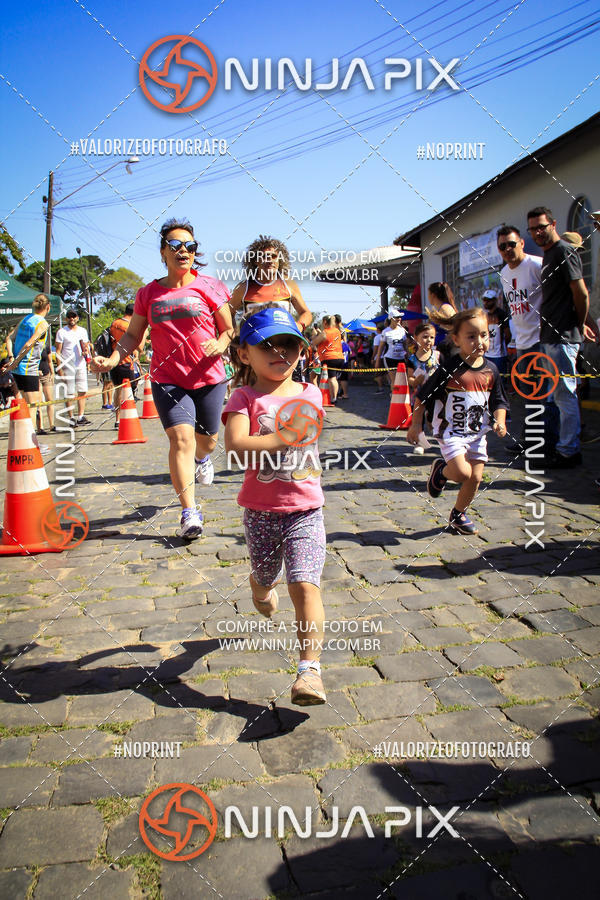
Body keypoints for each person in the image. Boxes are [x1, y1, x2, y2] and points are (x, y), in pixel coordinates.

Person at [92, 218, 234, 539]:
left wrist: (220, 343)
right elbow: (132, 335)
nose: (184, 250)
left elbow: (228, 329)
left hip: (209, 377)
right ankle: (189, 512)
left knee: (207, 440)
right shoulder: (148, 293)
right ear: (163, 252)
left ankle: (202, 458)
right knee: (180, 439)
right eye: (175, 245)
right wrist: (112, 359)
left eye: (190, 246)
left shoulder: (210, 286)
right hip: (167, 379)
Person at [223, 305, 327, 706]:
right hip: (261, 512)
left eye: (289, 345)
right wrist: (281, 438)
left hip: (305, 509)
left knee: (304, 584)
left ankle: (309, 672)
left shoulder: (310, 393)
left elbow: (306, 428)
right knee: (267, 579)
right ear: (244, 353)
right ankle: (260, 588)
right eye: (268, 345)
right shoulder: (243, 397)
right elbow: (236, 447)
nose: (280, 353)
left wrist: (280, 437)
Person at [407, 309, 509, 535]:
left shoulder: (492, 370)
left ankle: (458, 514)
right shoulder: (449, 369)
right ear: (456, 339)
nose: (479, 341)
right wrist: (416, 425)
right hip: (450, 431)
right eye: (471, 336)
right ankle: (441, 471)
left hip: (477, 432)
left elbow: (499, 401)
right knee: (462, 473)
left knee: (476, 477)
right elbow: (422, 397)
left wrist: (500, 421)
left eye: (484, 335)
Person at [527, 206, 594, 468]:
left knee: (565, 395)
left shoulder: (564, 251)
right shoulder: (550, 254)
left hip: (562, 337)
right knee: (556, 396)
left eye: (541, 227)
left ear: (553, 224)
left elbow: (581, 293)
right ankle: (559, 446)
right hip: (550, 337)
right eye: (533, 229)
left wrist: (579, 324)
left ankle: (568, 451)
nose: (537, 232)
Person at [230, 235, 312, 328]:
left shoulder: (288, 284)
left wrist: (299, 326)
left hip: (283, 336)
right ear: (255, 261)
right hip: (255, 337)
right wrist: (234, 333)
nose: (270, 261)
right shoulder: (244, 287)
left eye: (274, 256)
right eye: (265, 256)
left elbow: (306, 313)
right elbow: (228, 313)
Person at [3, 294, 52, 426]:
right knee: (32, 406)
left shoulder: (26, 319)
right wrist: (16, 362)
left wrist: (12, 357)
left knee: (26, 404)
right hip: (28, 368)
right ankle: (30, 436)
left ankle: (25, 435)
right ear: (48, 307)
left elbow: (9, 338)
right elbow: (28, 344)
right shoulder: (42, 324)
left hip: (18, 371)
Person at [497, 225, 543, 357]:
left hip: (541, 341)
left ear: (521, 243)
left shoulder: (537, 265)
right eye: (502, 246)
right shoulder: (504, 274)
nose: (507, 249)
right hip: (521, 344)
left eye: (512, 244)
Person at [406, 322, 440, 455]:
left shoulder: (438, 356)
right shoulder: (412, 359)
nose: (429, 340)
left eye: (432, 337)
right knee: (418, 420)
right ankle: (420, 443)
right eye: (425, 337)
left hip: (436, 395)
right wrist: (415, 381)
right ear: (416, 338)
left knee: (435, 418)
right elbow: (409, 378)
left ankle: (443, 442)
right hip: (418, 395)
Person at [109, 303, 144, 429]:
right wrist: (144, 331)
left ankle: (118, 419)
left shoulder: (114, 323)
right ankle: (127, 418)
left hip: (114, 361)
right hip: (126, 361)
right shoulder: (128, 326)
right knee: (128, 391)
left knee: (118, 390)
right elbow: (140, 348)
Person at [55, 308, 92, 427]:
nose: (72, 319)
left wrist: (86, 352)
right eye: (69, 317)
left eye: (74, 316)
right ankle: (71, 417)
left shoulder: (82, 331)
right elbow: (58, 351)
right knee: (69, 392)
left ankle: (81, 416)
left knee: (82, 390)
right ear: (66, 318)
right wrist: (60, 369)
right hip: (68, 365)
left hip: (80, 364)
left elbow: (86, 346)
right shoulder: (61, 332)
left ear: (77, 318)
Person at [312, 315, 345, 404]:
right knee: (334, 378)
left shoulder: (325, 332)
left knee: (332, 378)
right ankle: (334, 395)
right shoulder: (337, 331)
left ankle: (333, 398)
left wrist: (314, 335)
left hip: (329, 358)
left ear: (325, 322)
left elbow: (314, 343)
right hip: (339, 357)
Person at [374, 309, 407, 387]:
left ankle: (400, 394)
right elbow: (381, 347)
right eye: (397, 317)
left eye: (400, 317)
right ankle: (394, 394)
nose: (399, 319)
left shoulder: (402, 330)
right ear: (391, 319)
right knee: (394, 380)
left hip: (401, 358)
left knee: (402, 381)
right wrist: (377, 360)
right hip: (390, 358)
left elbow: (405, 345)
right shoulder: (386, 331)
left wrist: (407, 356)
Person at [481, 289, 509, 375]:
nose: (485, 302)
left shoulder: (502, 314)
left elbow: (508, 334)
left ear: (494, 300)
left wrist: (503, 347)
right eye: (484, 300)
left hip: (499, 355)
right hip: (487, 354)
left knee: (500, 377)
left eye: (488, 300)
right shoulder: (484, 315)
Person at [36, 341, 55, 433]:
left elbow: (50, 361)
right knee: (38, 402)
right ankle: (40, 427)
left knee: (50, 400)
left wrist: (52, 373)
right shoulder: (31, 346)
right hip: (36, 376)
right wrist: (36, 371)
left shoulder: (46, 346)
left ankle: (52, 425)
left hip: (46, 374)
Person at [372, 323, 385, 393]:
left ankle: (380, 388)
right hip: (386, 357)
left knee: (378, 374)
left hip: (378, 357)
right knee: (386, 373)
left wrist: (373, 357)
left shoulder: (377, 337)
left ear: (378, 329)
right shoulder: (385, 335)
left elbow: (376, 348)